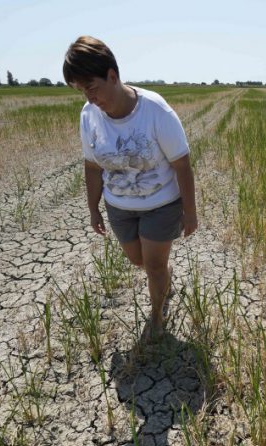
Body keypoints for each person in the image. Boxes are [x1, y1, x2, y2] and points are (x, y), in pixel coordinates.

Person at [63, 35, 197, 336]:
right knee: (138, 260)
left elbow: (182, 164)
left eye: (91, 88)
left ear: (112, 76)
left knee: (153, 266)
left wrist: (190, 213)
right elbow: (92, 166)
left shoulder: (155, 110)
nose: (89, 98)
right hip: (120, 206)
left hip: (161, 203)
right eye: (81, 92)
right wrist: (93, 209)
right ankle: (164, 274)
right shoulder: (89, 116)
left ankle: (157, 319)